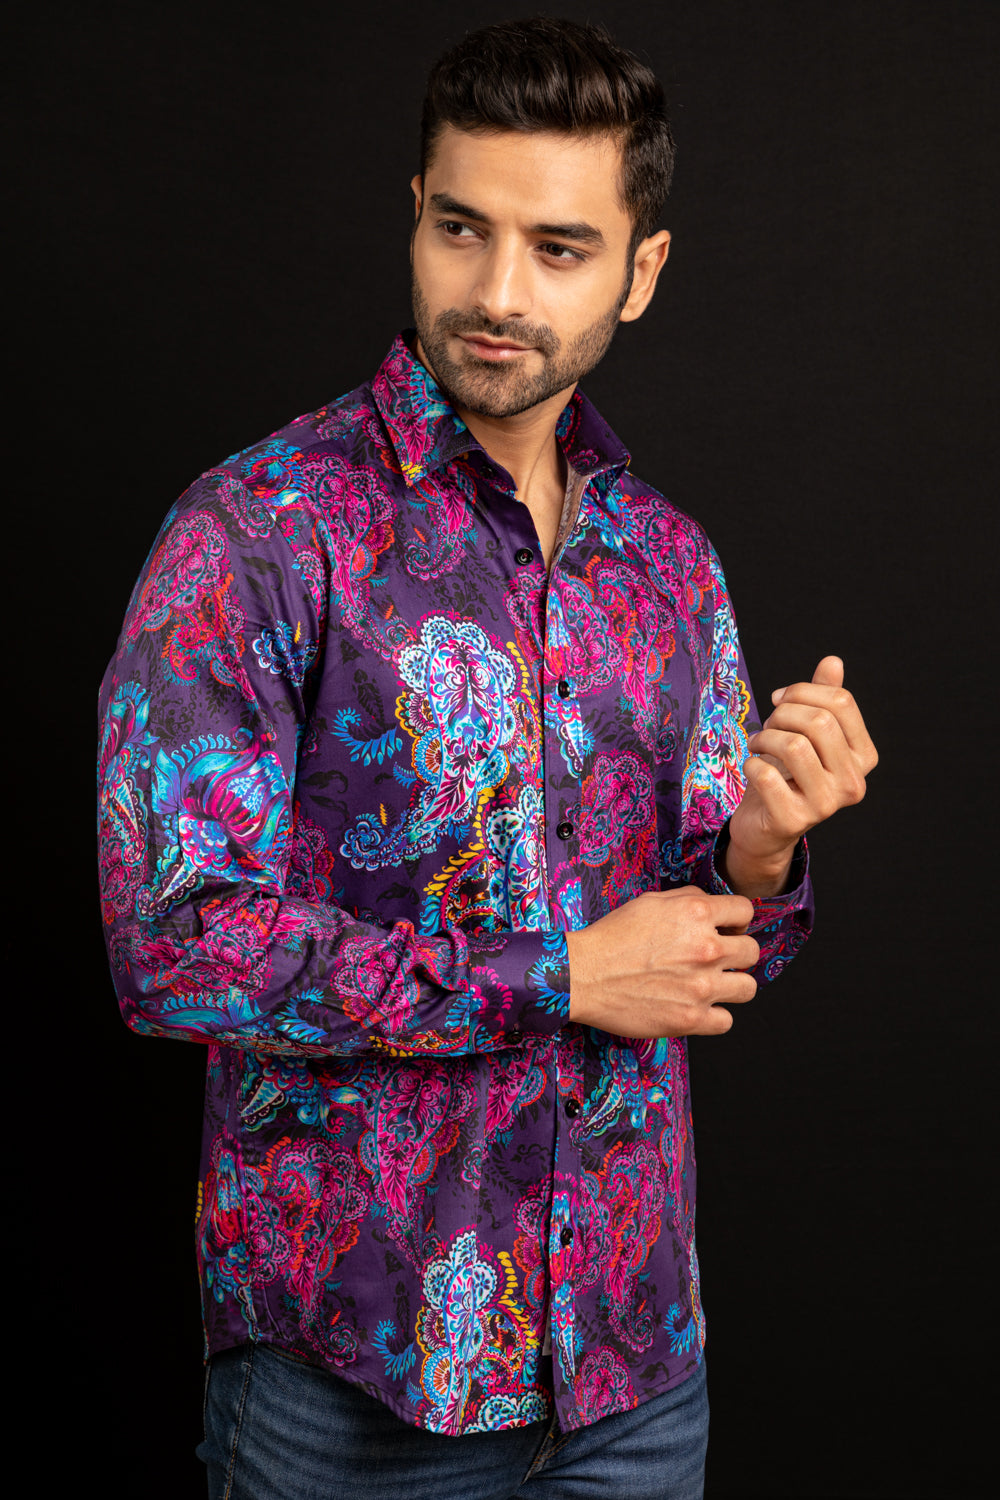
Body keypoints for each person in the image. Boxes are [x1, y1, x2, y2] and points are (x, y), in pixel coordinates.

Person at [97, 16, 877, 1499]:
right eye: (463, 228)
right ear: (416, 213)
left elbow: (710, 952)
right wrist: (562, 974)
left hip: (636, 1373)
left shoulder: (669, 561)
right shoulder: (256, 536)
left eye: (560, 248)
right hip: (352, 1384)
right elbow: (175, 948)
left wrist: (765, 850)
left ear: (643, 270)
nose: (499, 293)